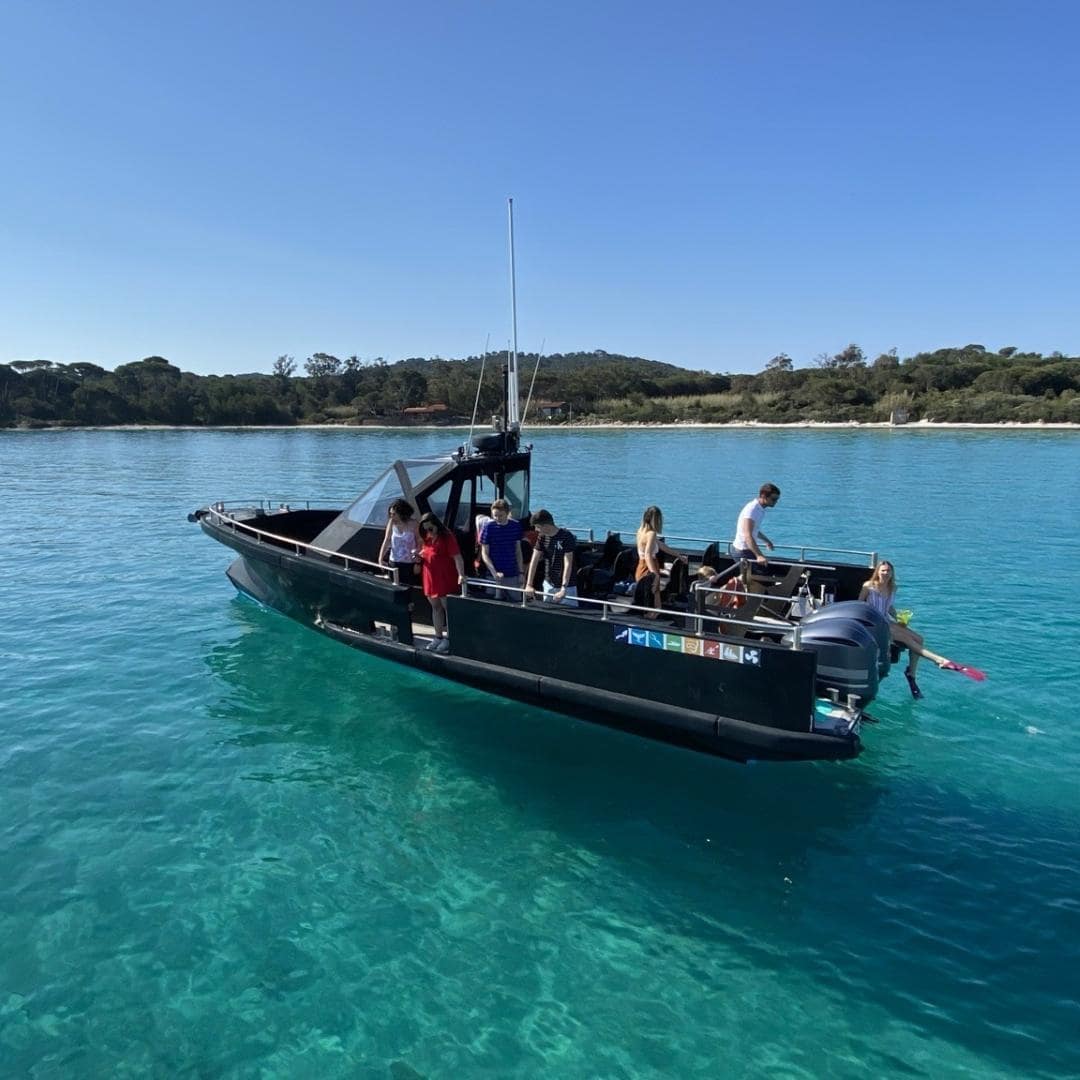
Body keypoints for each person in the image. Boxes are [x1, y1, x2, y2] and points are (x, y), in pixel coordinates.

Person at [859, 560, 953, 699]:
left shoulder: (893, 588)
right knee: (906, 639)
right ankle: (938, 660)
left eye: (888, 571)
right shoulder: (869, 586)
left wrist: (899, 619)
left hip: (887, 621)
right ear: (877, 571)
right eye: (883, 570)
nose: (885, 573)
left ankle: (911, 674)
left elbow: (889, 607)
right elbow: (860, 604)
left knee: (919, 639)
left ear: (892, 573)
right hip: (874, 623)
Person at [418, 512, 465, 652]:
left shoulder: (447, 537)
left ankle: (449, 638)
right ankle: (438, 636)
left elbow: (457, 557)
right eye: (426, 529)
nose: (428, 531)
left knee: (447, 607)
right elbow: (426, 552)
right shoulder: (427, 538)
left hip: (444, 576)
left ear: (436, 525)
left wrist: (461, 574)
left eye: (430, 528)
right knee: (435, 607)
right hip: (430, 576)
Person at [634, 506, 685, 614]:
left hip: (643, 566)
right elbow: (647, 554)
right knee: (652, 595)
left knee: (654, 594)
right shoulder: (651, 534)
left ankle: (656, 614)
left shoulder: (641, 531)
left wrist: (678, 555)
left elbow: (661, 545)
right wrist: (655, 575)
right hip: (648, 567)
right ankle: (654, 615)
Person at [524, 509, 578, 606]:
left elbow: (568, 562)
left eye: (538, 527)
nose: (536, 530)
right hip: (549, 583)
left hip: (568, 585)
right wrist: (529, 584)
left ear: (545, 525)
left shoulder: (566, 536)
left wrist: (564, 587)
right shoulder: (542, 537)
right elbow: (534, 560)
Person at [480, 498, 524, 601]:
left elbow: (518, 551)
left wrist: (521, 573)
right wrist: (494, 572)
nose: (498, 518)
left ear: (507, 513)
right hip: (492, 574)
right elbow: (485, 553)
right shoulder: (488, 527)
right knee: (492, 603)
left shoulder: (516, 526)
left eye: (501, 515)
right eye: (495, 515)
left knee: (514, 602)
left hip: (512, 573)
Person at [732, 483, 780, 569]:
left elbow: (754, 529)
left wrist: (766, 541)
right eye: (773, 499)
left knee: (764, 571)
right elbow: (747, 535)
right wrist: (759, 555)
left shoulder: (760, 509)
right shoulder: (752, 510)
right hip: (742, 551)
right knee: (758, 577)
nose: (776, 502)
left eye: (777, 499)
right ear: (763, 496)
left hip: (748, 549)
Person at [377, 498, 421, 584]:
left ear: (402, 513)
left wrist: (418, 561)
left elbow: (420, 543)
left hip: (410, 562)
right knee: (394, 584)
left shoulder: (414, 524)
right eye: (390, 514)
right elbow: (387, 540)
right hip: (394, 561)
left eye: (394, 514)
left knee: (409, 585)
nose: (391, 516)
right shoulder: (391, 523)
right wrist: (380, 558)